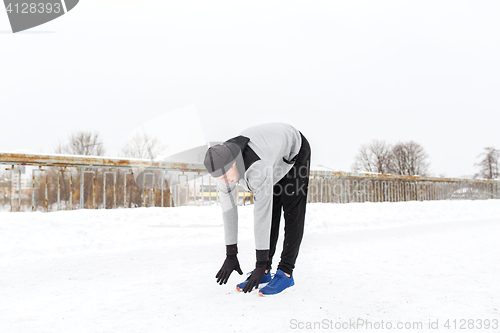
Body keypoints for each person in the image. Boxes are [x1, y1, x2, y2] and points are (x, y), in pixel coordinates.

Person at [203, 123, 311, 296]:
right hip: (271, 157)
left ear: (234, 163)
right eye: (218, 178)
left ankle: (286, 272)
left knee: (292, 212)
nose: (223, 181)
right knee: (272, 211)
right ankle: (266, 272)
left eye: (225, 176)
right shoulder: (222, 168)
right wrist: (231, 254)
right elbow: (228, 212)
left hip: (294, 151)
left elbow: (262, 214)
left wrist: (259, 263)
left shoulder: (256, 168)